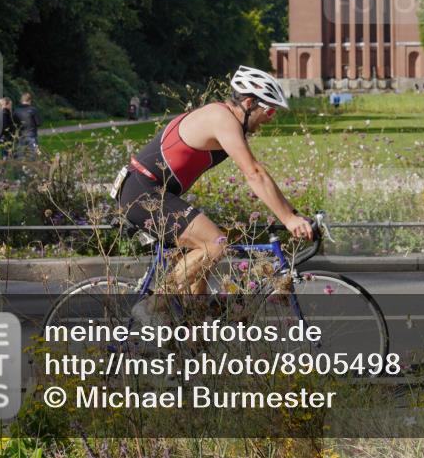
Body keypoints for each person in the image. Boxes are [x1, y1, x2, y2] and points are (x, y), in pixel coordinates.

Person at [115, 66, 312, 321]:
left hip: (153, 190)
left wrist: (293, 213)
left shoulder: (226, 119)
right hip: (141, 190)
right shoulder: (221, 119)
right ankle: (152, 307)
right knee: (214, 244)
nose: (271, 118)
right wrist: (289, 219)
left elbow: (258, 175)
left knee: (202, 281)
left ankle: (193, 338)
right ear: (249, 102)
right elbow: (254, 173)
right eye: (270, 110)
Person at [12, 92, 42, 160]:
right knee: (33, 156)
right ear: (30, 100)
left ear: (21, 100)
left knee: (20, 156)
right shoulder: (33, 110)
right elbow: (38, 123)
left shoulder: (16, 110)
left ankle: (19, 169)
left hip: (21, 136)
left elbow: (14, 124)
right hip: (32, 136)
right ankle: (32, 169)